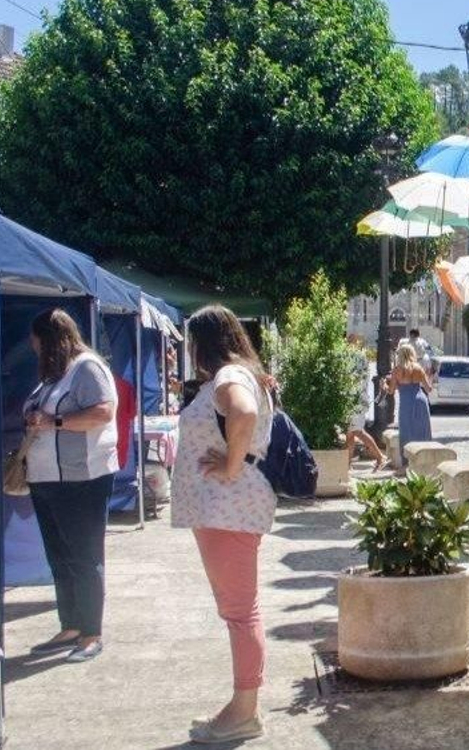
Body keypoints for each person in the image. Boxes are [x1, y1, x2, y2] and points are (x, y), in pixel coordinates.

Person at [173, 305, 276, 744]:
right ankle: (242, 706)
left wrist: (232, 466)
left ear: (204, 344)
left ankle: (243, 710)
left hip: (226, 506)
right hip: (224, 507)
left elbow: (245, 413)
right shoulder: (236, 373)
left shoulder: (229, 378)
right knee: (238, 608)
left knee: (239, 610)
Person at [20, 309, 118, 664]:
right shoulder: (54, 376)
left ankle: (92, 632)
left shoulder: (87, 368)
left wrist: (54, 421)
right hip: (47, 479)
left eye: (36, 342)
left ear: (50, 339)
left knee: (85, 556)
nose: (33, 349)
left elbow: (103, 413)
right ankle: (71, 625)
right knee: (59, 556)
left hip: (82, 479)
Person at [383, 343, 434, 469]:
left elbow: (390, 391)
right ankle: (424, 463)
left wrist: (383, 385)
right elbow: (428, 389)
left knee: (407, 432)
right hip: (421, 400)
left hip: (406, 403)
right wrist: (430, 377)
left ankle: (407, 465)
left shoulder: (397, 370)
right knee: (422, 432)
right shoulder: (419, 368)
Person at [342, 334, 384, 469]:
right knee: (351, 433)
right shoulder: (361, 357)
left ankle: (379, 457)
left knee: (357, 432)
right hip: (358, 399)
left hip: (354, 399)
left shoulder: (350, 357)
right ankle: (347, 465)